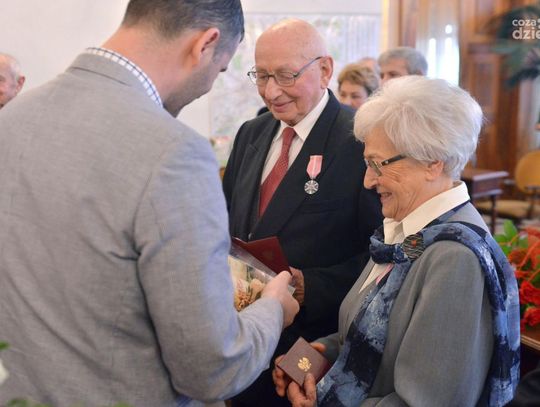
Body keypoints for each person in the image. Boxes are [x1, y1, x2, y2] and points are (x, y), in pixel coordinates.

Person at [0, 1, 299, 406]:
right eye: (220, 69)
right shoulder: (174, 154)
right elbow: (211, 368)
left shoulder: (14, 117)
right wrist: (272, 310)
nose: (209, 85)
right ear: (205, 44)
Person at [273, 76, 521, 407]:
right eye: (367, 164)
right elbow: (376, 332)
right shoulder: (409, 232)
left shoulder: (455, 258)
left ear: (433, 162)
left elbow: (428, 402)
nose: (367, 180)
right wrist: (321, 355)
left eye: (378, 164)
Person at [223, 18, 383, 407]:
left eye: (285, 76)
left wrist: (310, 285)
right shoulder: (251, 133)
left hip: (311, 345)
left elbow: (384, 256)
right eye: (262, 76)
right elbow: (227, 227)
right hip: (242, 337)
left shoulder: (360, 140)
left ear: (325, 70)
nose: (271, 91)